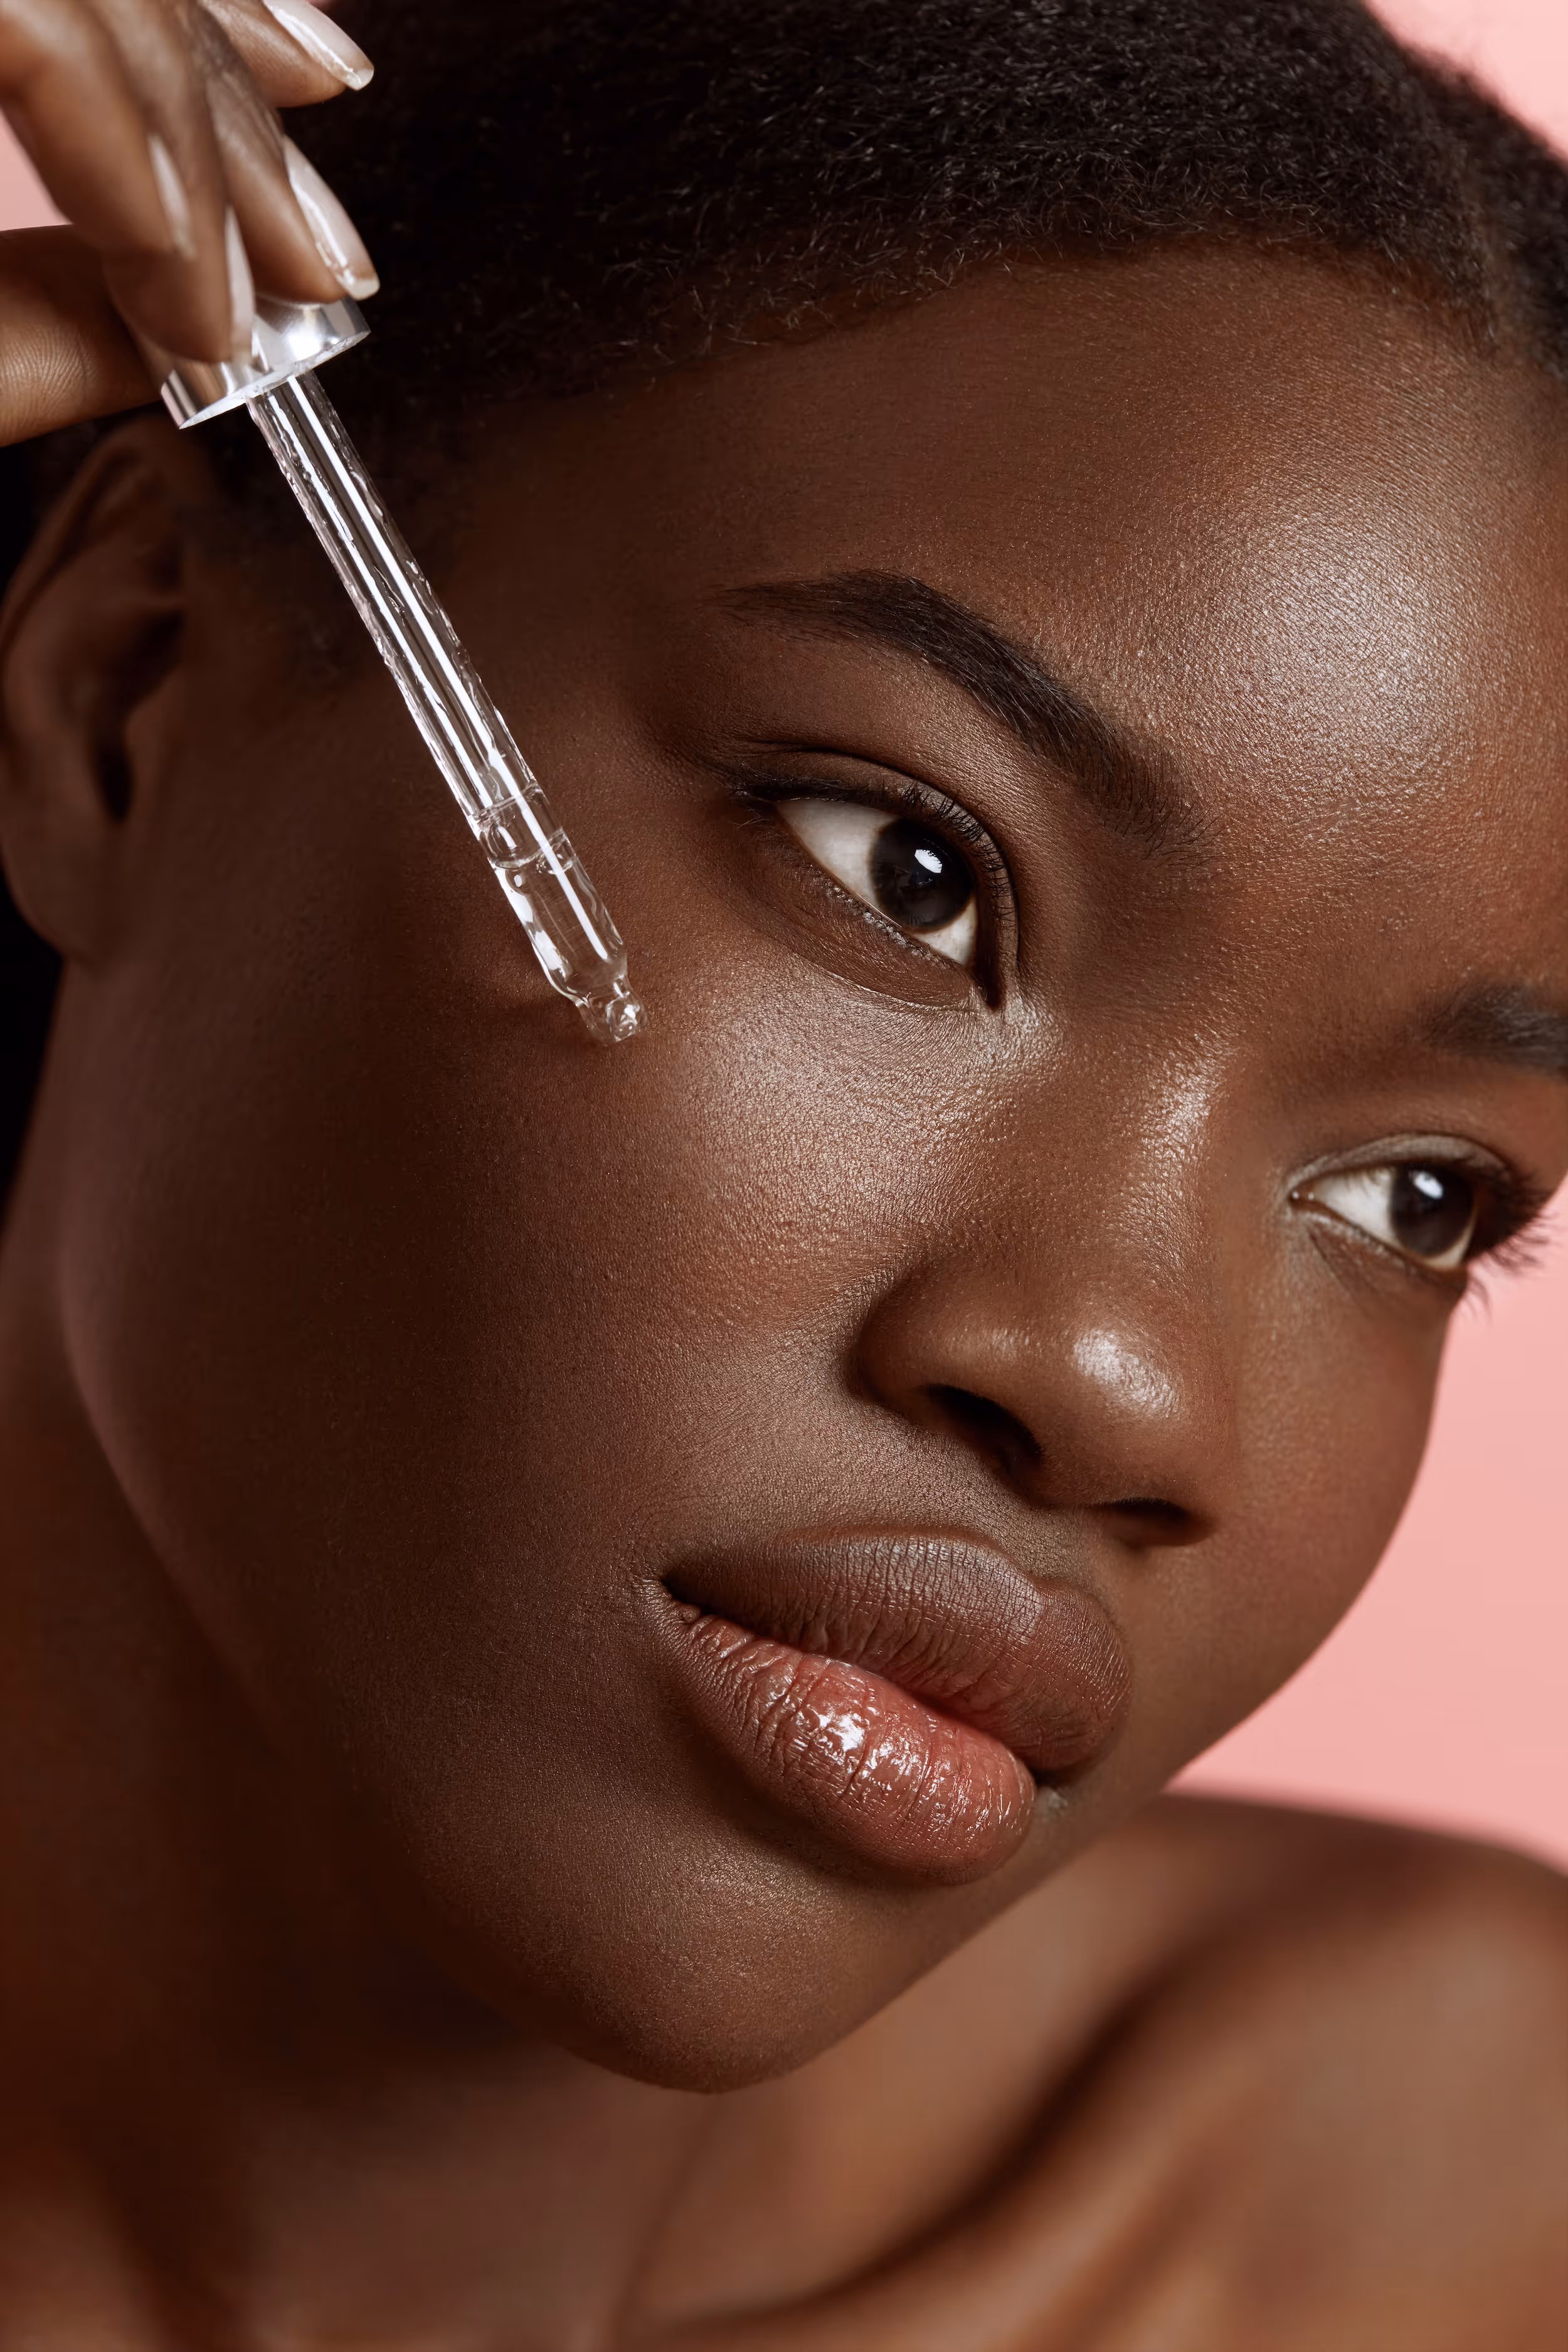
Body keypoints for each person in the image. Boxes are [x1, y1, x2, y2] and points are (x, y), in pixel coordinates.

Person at [0, 1, 1564, 2342]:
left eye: (1418, 1201)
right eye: (909, 866)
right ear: (127, 694)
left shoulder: (1464, 2205)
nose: (1136, 1392)